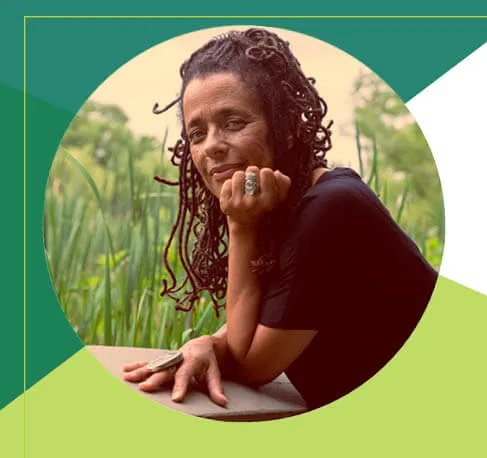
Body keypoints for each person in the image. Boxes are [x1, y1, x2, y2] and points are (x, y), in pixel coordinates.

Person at [122, 28, 438, 412]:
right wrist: (206, 342)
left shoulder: (333, 207)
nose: (212, 146)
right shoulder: (286, 208)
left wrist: (240, 226)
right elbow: (257, 326)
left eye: (234, 122)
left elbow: (252, 364)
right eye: (197, 133)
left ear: (286, 126)